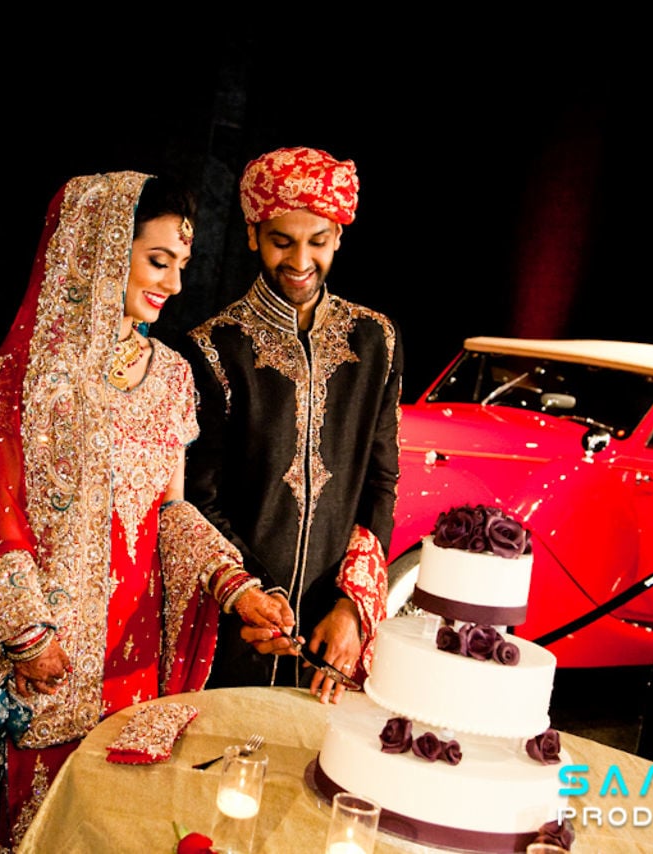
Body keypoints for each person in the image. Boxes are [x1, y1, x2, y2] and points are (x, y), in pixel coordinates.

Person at [0, 172, 287, 852]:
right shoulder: (27, 375)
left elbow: (170, 512)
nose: (175, 284)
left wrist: (236, 588)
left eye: (181, 264)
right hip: (39, 652)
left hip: (131, 656)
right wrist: (30, 636)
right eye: (158, 261)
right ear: (101, 248)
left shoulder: (172, 376)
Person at [184, 146, 403, 705]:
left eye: (318, 241)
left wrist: (352, 608)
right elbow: (197, 498)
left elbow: (380, 482)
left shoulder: (376, 340)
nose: (300, 260)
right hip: (237, 628)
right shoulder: (213, 348)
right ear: (253, 234)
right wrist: (253, 597)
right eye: (282, 241)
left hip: (332, 641)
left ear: (339, 236)